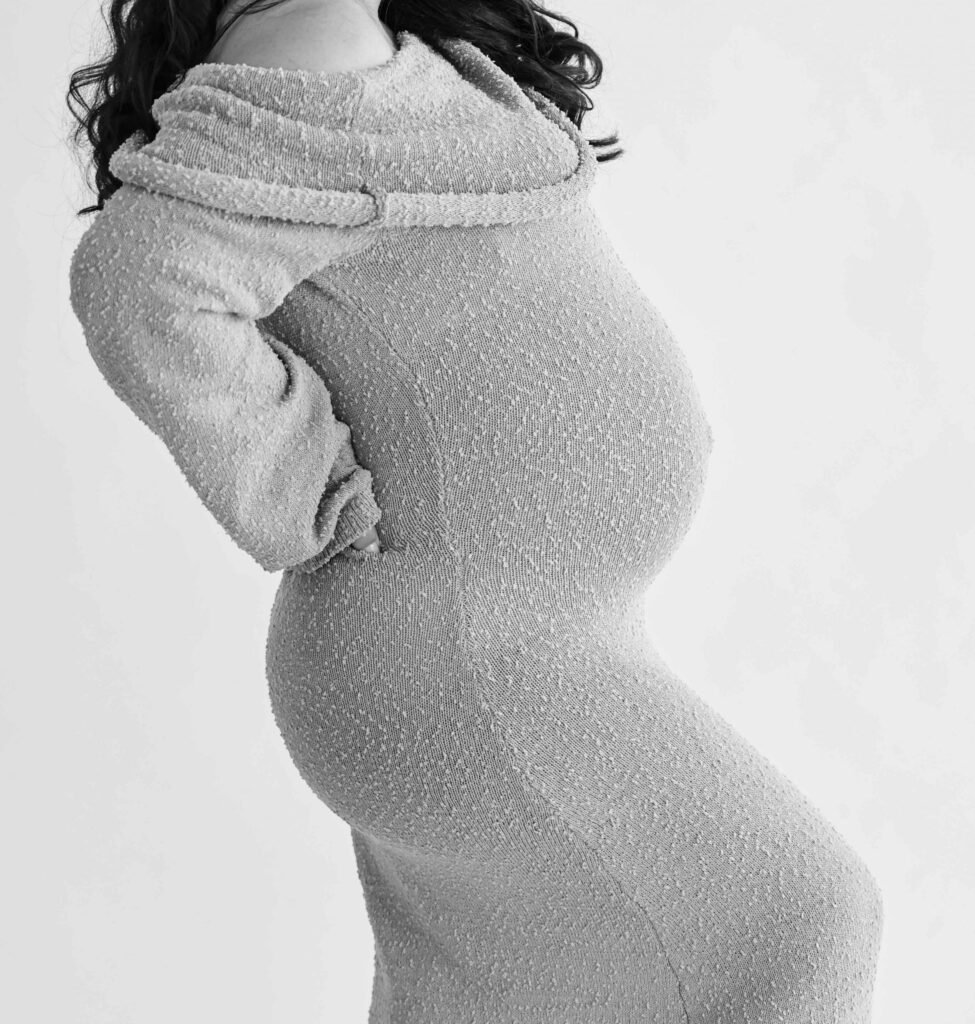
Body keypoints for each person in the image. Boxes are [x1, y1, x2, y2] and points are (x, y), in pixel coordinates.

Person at [65, 2, 884, 1021]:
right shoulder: (305, 39)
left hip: (505, 643)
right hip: (470, 661)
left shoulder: (375, 36)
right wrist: (301, 483)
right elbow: (139, 277)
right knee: (801, 921)